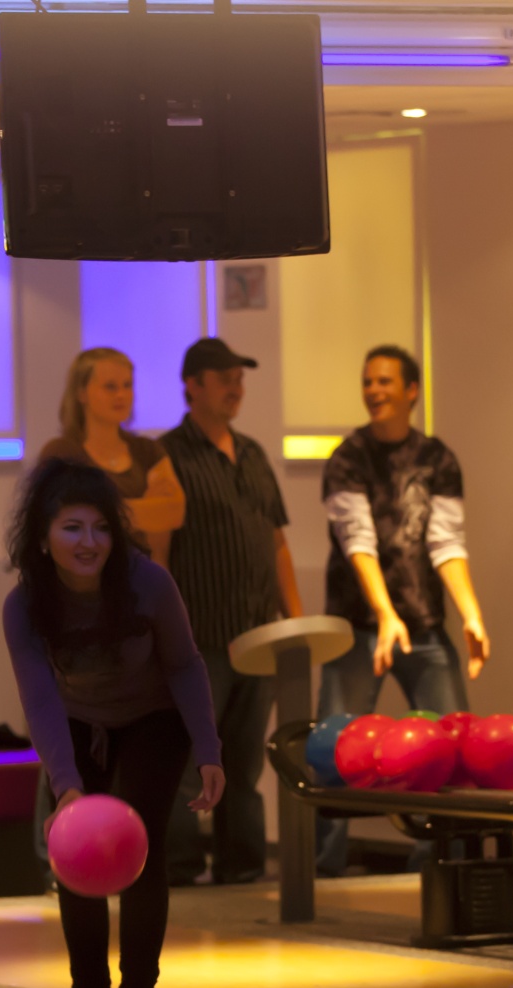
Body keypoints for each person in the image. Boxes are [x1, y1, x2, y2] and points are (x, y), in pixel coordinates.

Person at [3, 458, 225, 988]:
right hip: (79, 722)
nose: (88, 542)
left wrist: (209, 749)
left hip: (155, 720)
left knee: (137, 845)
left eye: (100, 527)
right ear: (44, 536)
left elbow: (185, 665)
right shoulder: (25, 604)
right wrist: (66, 787)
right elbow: (40, 696)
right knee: (76, 854)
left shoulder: (147, 583)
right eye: (72, 528)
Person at [315, 346, 491, 877]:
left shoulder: (438, 459)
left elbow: (446, 544)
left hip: (423, 625)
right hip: (357, 625)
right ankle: (320, 869)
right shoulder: (348, 457)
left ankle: (444, 859)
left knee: (452, 743)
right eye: (368, 381)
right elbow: (357, 541)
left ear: (412, 391)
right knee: (335, 749)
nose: (374, 391)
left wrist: (471, 614)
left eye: (385, 381)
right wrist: (384, 614)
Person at [160, 336, 300, 885]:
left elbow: (278, 541)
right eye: (224, 378)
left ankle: (242, 865)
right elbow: (159, 551)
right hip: (201, 637)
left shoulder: (255, 453)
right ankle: (178, 863)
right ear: (192, 386)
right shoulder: (167, 455)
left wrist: (294, 621)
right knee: (189, 758)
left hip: (258, 635)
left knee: (244, 761)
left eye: (240, 378)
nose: (236, 387)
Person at [40, 348, 187, 567]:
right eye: (110, 387)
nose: (121, 394)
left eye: (127, 385)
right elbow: (64, 525)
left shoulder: (147, 450)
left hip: (139, 581)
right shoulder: (62, 453)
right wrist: (145, 509)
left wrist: (104, 514)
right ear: (81, 392)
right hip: (82, 584)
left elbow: (174, 511)